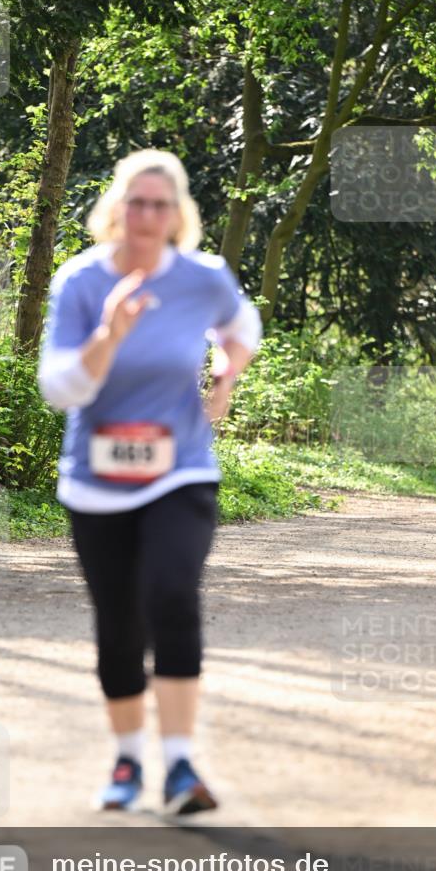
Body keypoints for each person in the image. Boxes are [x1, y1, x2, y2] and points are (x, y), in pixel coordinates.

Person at [37, 148, 261, 815]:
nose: (146, 214)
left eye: (160, 204)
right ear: (116, 209)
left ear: (176, 217)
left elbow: (242, 326)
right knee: (119, 623)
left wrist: (226, 372)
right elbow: (59, 388)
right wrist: (108, 332)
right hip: (96, 482)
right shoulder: (79, 282)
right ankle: (129, 760)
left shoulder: (202, 277)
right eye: (135, 201)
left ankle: (182, 766)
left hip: (181, 471)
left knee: (170, 593)